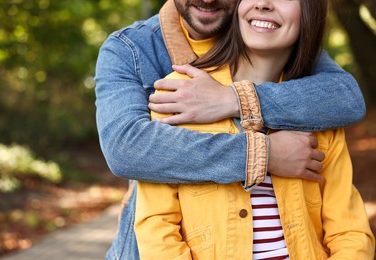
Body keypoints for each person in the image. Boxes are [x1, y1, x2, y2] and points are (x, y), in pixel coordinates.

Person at [94, 0, 366, 259]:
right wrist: (264, 155)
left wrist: (233, 99)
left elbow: (345, 97)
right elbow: (126, 149)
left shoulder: (269, 27)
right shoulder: (131, 48)